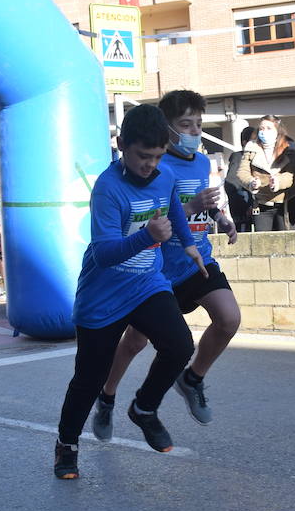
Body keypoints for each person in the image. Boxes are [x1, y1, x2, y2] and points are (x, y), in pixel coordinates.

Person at [53, 104, 204, 480]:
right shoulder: (108, 189)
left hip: (145, 283)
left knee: (180, 345)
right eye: (141, 156)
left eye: (156, 156)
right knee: (89, 378)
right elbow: (103, 253)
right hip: (103, 294)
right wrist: (146, 237)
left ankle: (144, 408)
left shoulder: (164, 175)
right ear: (121, 145)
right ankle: (67, 445)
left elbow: (173, 211)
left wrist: (188, 245)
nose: (149, 165)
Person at [92, 89, 241, 438]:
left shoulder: (203, 162)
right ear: (167, 128)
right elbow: (162, 213)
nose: (193, 132)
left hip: (196, 260)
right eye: (185, 124)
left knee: (229, 318)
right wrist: (190, 209)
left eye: (198, 125)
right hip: (157, 269)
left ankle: (192, 379)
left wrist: (220, 216)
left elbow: (199, 203)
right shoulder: (154, 165)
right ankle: (107, 396)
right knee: (134, 343)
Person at [236, 116, 295, 232]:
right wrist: (251, 182)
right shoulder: (251, 147)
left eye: (269, 128)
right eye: (261, 129)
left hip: (286, 202)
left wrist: (278, 182)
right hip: (261, 202)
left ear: (277, 130)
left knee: (287, 242)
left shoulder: (289, 146)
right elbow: (242, 172)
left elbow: (293, 173)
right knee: (262, 242)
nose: (264, 132)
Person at [223, 126, 257, 233]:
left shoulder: (260, 158)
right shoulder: (239, 158)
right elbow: (231, 183)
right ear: (244, 142)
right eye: (253, 140)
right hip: (244, 211)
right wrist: (245, 206)